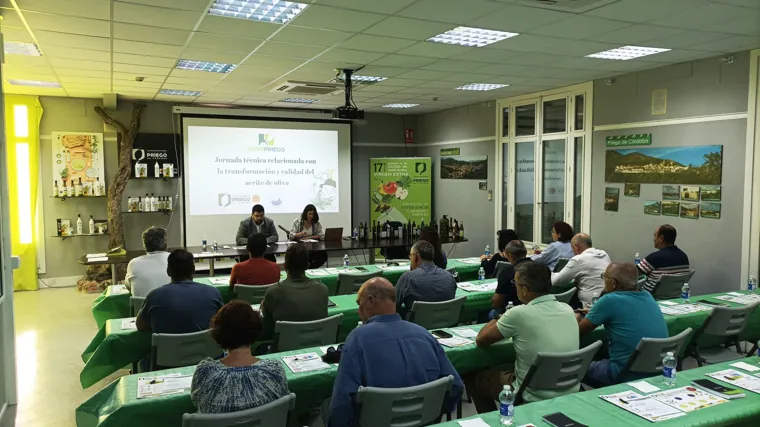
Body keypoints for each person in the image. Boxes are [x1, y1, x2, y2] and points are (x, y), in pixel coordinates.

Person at [325, 277, 463, 426]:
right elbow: (456, 386)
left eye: (360, 304)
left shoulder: (356, 339)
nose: (358, 311)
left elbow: (342, 404)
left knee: (327, 406)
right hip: (424, 422)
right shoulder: (424, 334)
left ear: (371, 301)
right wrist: (433, 413)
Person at [467, 261, 579, 411]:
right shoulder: (567, 309)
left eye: (515, 283)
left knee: (476, 378)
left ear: (525, 290)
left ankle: (494, 419)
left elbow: (481, 340)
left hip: (530, 392)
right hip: (568, 387)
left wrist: (498, 318)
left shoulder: (519, 313)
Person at [577, 262, 668, 387]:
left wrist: (576, 318)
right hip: (657, 369)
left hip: (624, 373)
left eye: (604, 277)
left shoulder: (609, 300)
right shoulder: (647, 296)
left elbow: (579, 333)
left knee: (574, 369)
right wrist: (596, 312)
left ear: (613, 283)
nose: (603, 281)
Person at [191, 301, 289, 413]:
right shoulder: (275, 371)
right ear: (256, 330)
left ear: (218, 333)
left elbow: (196, 401)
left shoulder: (204, 373)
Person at [136, 249, 224, 335]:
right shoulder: (213, 293)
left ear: (168, 271)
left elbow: (140, 326)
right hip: (206, 349)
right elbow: (224, 323)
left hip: (167, 349)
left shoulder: (153, 296)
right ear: (193, 270)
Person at [260, 243, 329, 340]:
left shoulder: (273, 292)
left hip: (282, 348)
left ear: (284, 266)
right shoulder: (323, 289)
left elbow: (267, 331)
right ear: (308, 265)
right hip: (315, 343)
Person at [395, 240, 457, 317]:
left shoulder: (408, 278)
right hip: (445, 325)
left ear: (415, 257)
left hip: (415, 327)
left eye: (410, 256)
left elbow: (392, 306)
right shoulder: (449, 277)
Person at [551, 233, 610, 307]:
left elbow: (556, 281)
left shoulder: (579, 260)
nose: (573, 253)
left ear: (577, 246)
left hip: (586, 305)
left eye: (572, 249)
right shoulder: (604, 255)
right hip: (605, 302)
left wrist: (549, 274)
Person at [638, 224, 690, 293]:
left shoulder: (654, 257)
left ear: (661, 238)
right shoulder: (684, 257)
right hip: (674, 297)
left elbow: (632, 274)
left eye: (655, 236)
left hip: (649, 297)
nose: (653, 239)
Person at [125, 226, 171, 297]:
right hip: (172, 306)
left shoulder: (133, 264)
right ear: (166, 243)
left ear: (144, 245)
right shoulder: (176, 260)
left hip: (142, 307)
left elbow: (129, 286)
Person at [491, 240, 531, 317]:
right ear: (525, 253)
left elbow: (497, 302)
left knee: (491, 313)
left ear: (510, 256)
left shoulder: (507, 273)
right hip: (538, 308)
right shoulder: (542, 268)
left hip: (513, 311)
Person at [288, 204, 327, 268]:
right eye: (310, 214)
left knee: (323, 255)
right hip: (301, 248)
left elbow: (322, 236)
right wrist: (299, 234)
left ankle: (310, 268)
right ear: (305, 213)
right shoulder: (297, 222)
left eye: (313, 214)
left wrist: (310, 237)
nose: (311, 216)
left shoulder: (316, 223)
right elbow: (291, 236)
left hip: (313, 248)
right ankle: (306, 268)